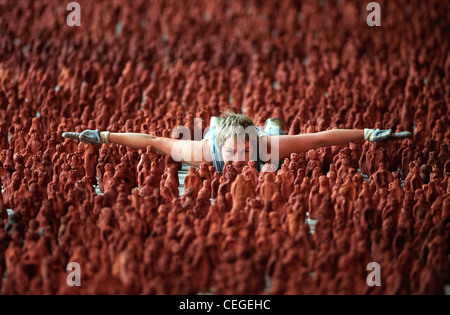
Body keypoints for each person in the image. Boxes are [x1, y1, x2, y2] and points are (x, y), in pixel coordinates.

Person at [62, 110, 411, 173]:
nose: (241, 159)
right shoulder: (201, 151)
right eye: (234, 153)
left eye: (245, 152)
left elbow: (321, 139)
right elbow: (153, 141)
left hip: (263, 134)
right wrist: (102, 136)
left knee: (274, 132)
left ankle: (268, 123)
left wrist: (368, 134)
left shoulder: (263, 148)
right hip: (215, 132)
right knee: (215, 126)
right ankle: (218, 121)